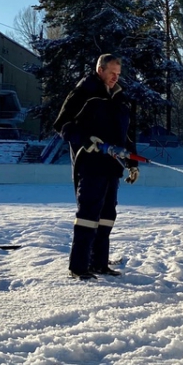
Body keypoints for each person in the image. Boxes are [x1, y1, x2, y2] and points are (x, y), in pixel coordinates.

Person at [54, 54, 140, 279]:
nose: (115, 77)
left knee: (107, 216)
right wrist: (86, 140)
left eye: (118, 74)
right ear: (100, 69)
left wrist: (132, 162)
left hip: (112, 167)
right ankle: (78, 267)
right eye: (112, 72)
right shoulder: (83, 93)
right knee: (88, 215)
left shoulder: (119, 99)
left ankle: (99, 263)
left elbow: (125, 136)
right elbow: (62, 125)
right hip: (90, 164)